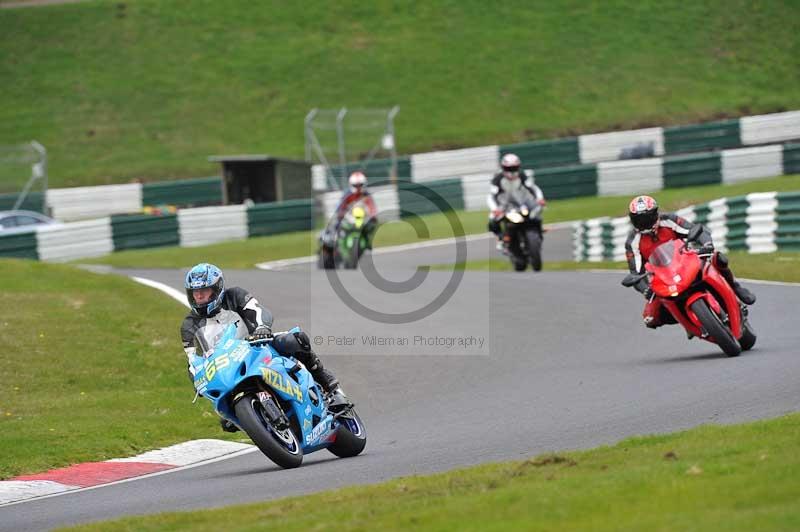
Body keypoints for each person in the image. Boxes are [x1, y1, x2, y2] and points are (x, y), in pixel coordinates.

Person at [181, 263, 348, 432]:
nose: (199, 296)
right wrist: (197, 380)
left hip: (258, 344)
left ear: (217, 288)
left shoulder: (234, 295)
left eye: (204, 291)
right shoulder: (189, 325)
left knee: (295, 339)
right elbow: (192, 360)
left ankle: (329, 387)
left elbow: (259, 311)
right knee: (225, 418)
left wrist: (261, 328)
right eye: (195, 292)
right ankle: (247, 416)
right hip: (228, 366)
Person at [624, 195, 756, 329]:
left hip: (686, 261)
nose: (643, 223)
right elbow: (636, 273)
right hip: (663, 277)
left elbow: (696, 230)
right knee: (650, 318)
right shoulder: (632, 241)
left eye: (647, 218)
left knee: (718, 258)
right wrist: (645, 289)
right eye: (639, 220)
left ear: (655, 214)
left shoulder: (669, 220)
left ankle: (736, 288)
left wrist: (707, 244)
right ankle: (689, 323)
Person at [487, 153, 546, 252]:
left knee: (536, 213)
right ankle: (501, 239)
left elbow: (533, 188)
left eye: (514, 168)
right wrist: (495, 209)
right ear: (504, 168)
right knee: (492, 221)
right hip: (504, 205)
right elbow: (491, 196)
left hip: (520, 202)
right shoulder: (497, 179)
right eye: (509, 169)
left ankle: (538, 232)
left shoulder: (522, 176)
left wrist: (540, 198)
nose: (512, 171)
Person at [321, 171, 379, 251]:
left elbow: (372, 207)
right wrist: (340, 213)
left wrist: (373, 216)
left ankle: (366, 240)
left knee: (372, 224)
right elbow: (340, 206)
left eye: (360, 185)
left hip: (362, 217)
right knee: (336, 222)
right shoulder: (347, 194)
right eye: (356, 185)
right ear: (351, 185)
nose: (358, 188)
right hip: (348, 216)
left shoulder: (366, 195)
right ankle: (331, 235)